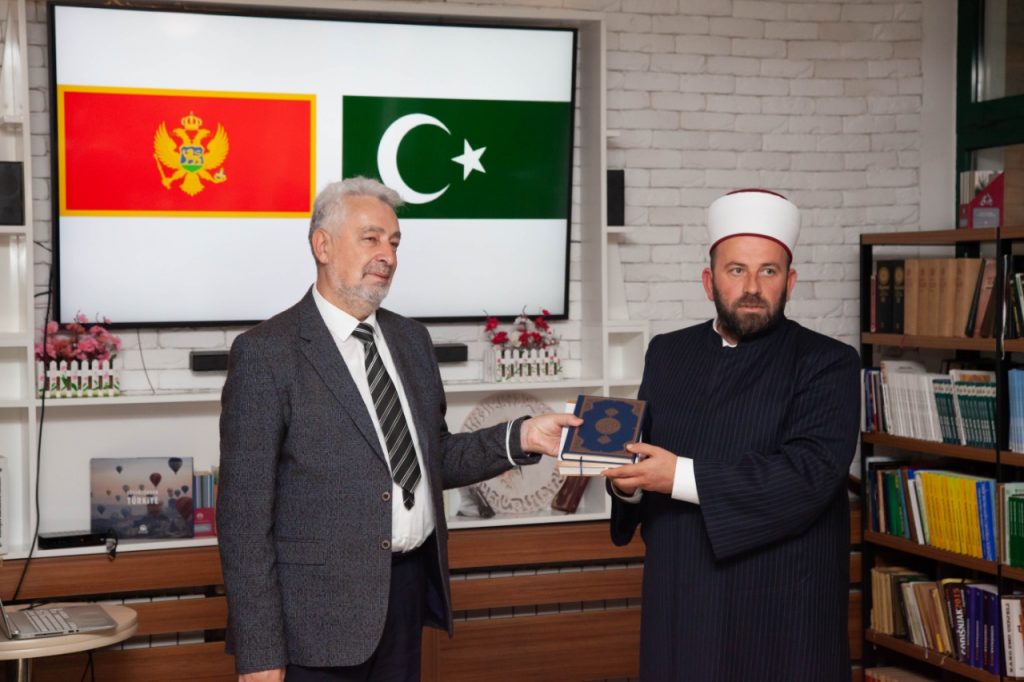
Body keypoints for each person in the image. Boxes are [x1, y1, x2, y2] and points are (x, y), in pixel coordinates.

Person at [217, 176, 579, 682]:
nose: (386, 255)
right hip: (313, 624)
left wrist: (521, 437)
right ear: (322, 245)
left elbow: (433, 457)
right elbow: (242, 520)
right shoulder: (266, 353)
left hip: (403, 601)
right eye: (370, 238)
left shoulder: (411, 340)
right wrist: (259, 653)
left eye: (394, 242)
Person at [603, 188, 860, 681]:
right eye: (736, 270)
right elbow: (641, 458)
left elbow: (808, 475)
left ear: (791, 282)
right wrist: (626, 484)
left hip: (781, 610)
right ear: (709, 281)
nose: (753, 287)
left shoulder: (828, 362)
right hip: (680, 598)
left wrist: (675, 476)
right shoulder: (667, 353)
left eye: (769, 271)